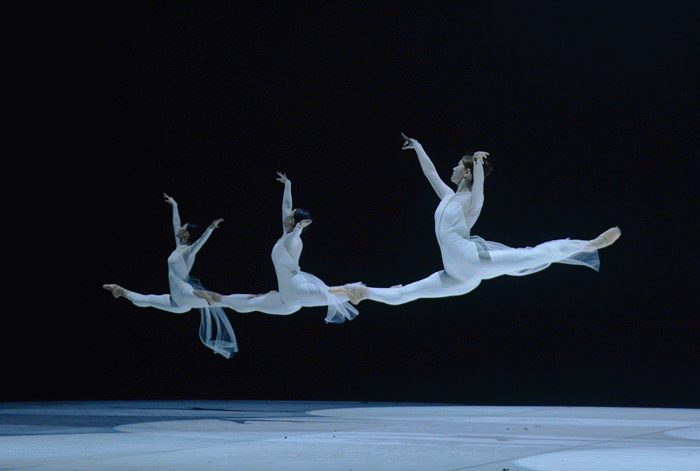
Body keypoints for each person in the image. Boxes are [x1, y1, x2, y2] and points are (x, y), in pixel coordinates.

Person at [341, 134, 620, 305]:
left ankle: (587, 244)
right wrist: (418, 146)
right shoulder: (448, 196)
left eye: (457, 165)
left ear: (467, 173)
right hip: (457, 275)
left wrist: (476, 161)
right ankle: (363, 293)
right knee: (408, 293)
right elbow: (430, 173)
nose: (452, 167)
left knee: (528, 256)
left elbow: (480, 185)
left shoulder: (472, 201)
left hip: (472, 260)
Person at [212, 173, 363, 323]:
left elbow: (294, 238)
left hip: (295, 291)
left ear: (292, 221)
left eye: (291, 214)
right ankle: (217, 300)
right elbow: (286, 205)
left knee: (336, 294)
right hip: (286, 300)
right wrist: (288, 184)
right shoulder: (286, 233)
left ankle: (364, 292)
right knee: (251, 303)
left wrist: (298, 228)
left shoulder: (293, 240)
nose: (288, 213)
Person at [103, 194, 237, 358]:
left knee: (202, 295)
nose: (179, 228)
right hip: (178, 302)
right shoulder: (178, 247)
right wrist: (175, 205)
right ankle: (122, 291)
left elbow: (200, 242)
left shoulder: (188, 252)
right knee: (147, 300)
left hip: (184, 292)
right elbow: (175, 224)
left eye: (183, 227)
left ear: (186, 234)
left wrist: (211, 227)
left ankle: (202, 294)